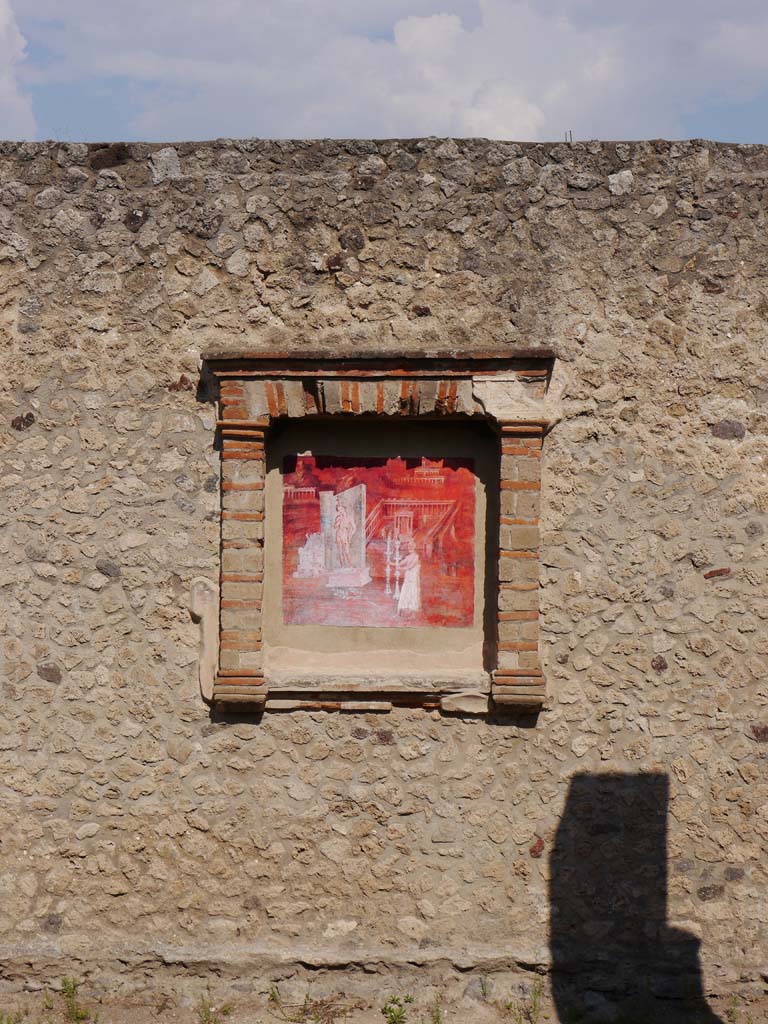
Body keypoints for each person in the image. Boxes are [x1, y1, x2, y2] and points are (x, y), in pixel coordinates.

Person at [397, 538, 421, 615]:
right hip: (408, 578)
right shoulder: (408, 557)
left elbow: (410, 567)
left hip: (413, 578)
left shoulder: (416, 556)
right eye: (408, 546)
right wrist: (391, 563)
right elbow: (401, 563)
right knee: (406, 590)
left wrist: (400, 568)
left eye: (411, 546)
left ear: (414, 547)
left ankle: (412, 608)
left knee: (412, 591)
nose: (409, 548)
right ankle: (405, 607)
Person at [333, 498, 356, 567]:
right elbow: (334, 526)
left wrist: (350, 535)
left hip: (345, 534)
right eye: (339, 510)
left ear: (344, 509)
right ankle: (342, 566)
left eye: (341, 509)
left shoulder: (349, 517)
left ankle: (351, 566)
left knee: (346, 551)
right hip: (338, 533)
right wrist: (338, 521)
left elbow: (354, 527)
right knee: (340, 551)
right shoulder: (338, 517)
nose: (340, 511)